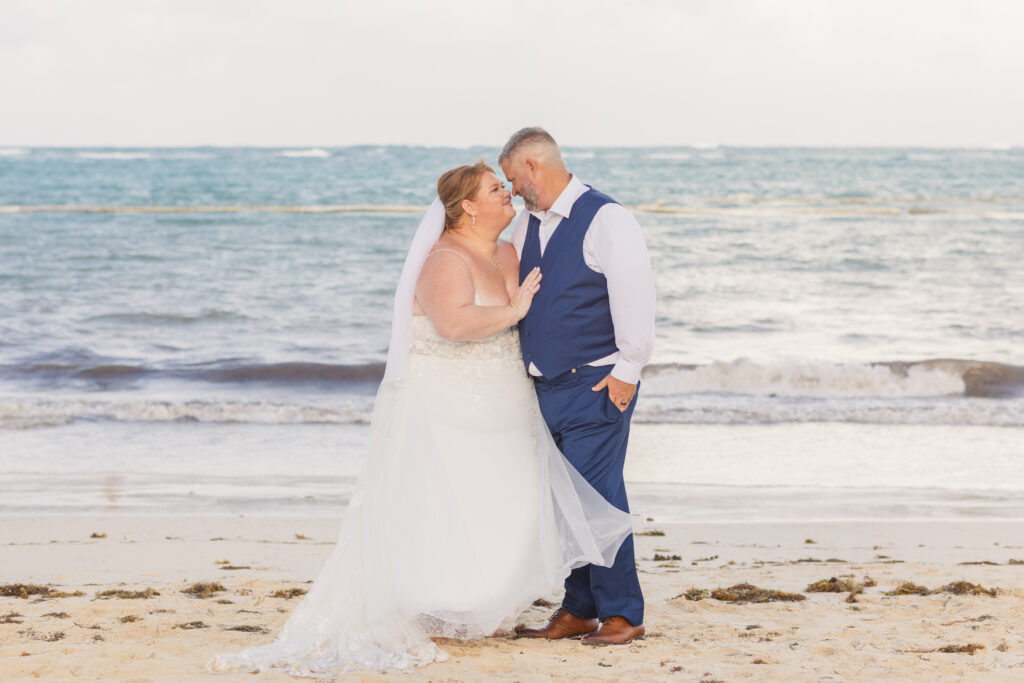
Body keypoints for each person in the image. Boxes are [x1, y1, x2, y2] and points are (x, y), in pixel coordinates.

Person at [208, 161, 632, 677]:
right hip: (447, 400)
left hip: (505, 397)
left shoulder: (508, 251)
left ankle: (481, 604)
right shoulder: (444, 257)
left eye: (506, 185)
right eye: (496, 189)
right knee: (446, 499)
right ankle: (438, 604)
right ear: (468, 206)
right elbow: (453, 323)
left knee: (502, 498)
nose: (508, 193)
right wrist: (515, 310)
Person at [499, 127, 656, 646]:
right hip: (545, 389)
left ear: (533, 167)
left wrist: (625, 373)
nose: (513, 191)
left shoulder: (607, 218)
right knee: (565, 500)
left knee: (596, 499)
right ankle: (579, 608)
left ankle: (624, 614)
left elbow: (634, 296)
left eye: (513, 180)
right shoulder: (525, 227)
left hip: (597, 384)